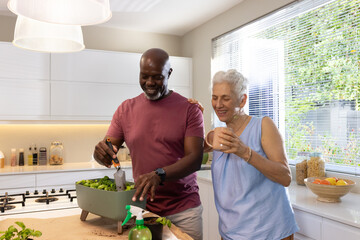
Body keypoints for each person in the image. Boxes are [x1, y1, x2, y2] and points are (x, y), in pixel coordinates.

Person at [93, 48, 204, 240]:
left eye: (157, 77)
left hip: (184, 211)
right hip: (141, 211)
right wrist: (99, 154)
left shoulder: (190, 110)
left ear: (169, 73)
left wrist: (159, 175)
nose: (150, 83)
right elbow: (108, 151)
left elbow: (195, 159)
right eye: (144, 76)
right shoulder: (125, 109)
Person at [205, 69, 299, 240]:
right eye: (215, 97)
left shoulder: (263, 126)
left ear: (242, 100)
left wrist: (246, 152)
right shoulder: (219, 135)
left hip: (268, 232)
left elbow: (285, 177)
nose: (218, 104)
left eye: (225, 98)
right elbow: (186, 150)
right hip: (230, 232)